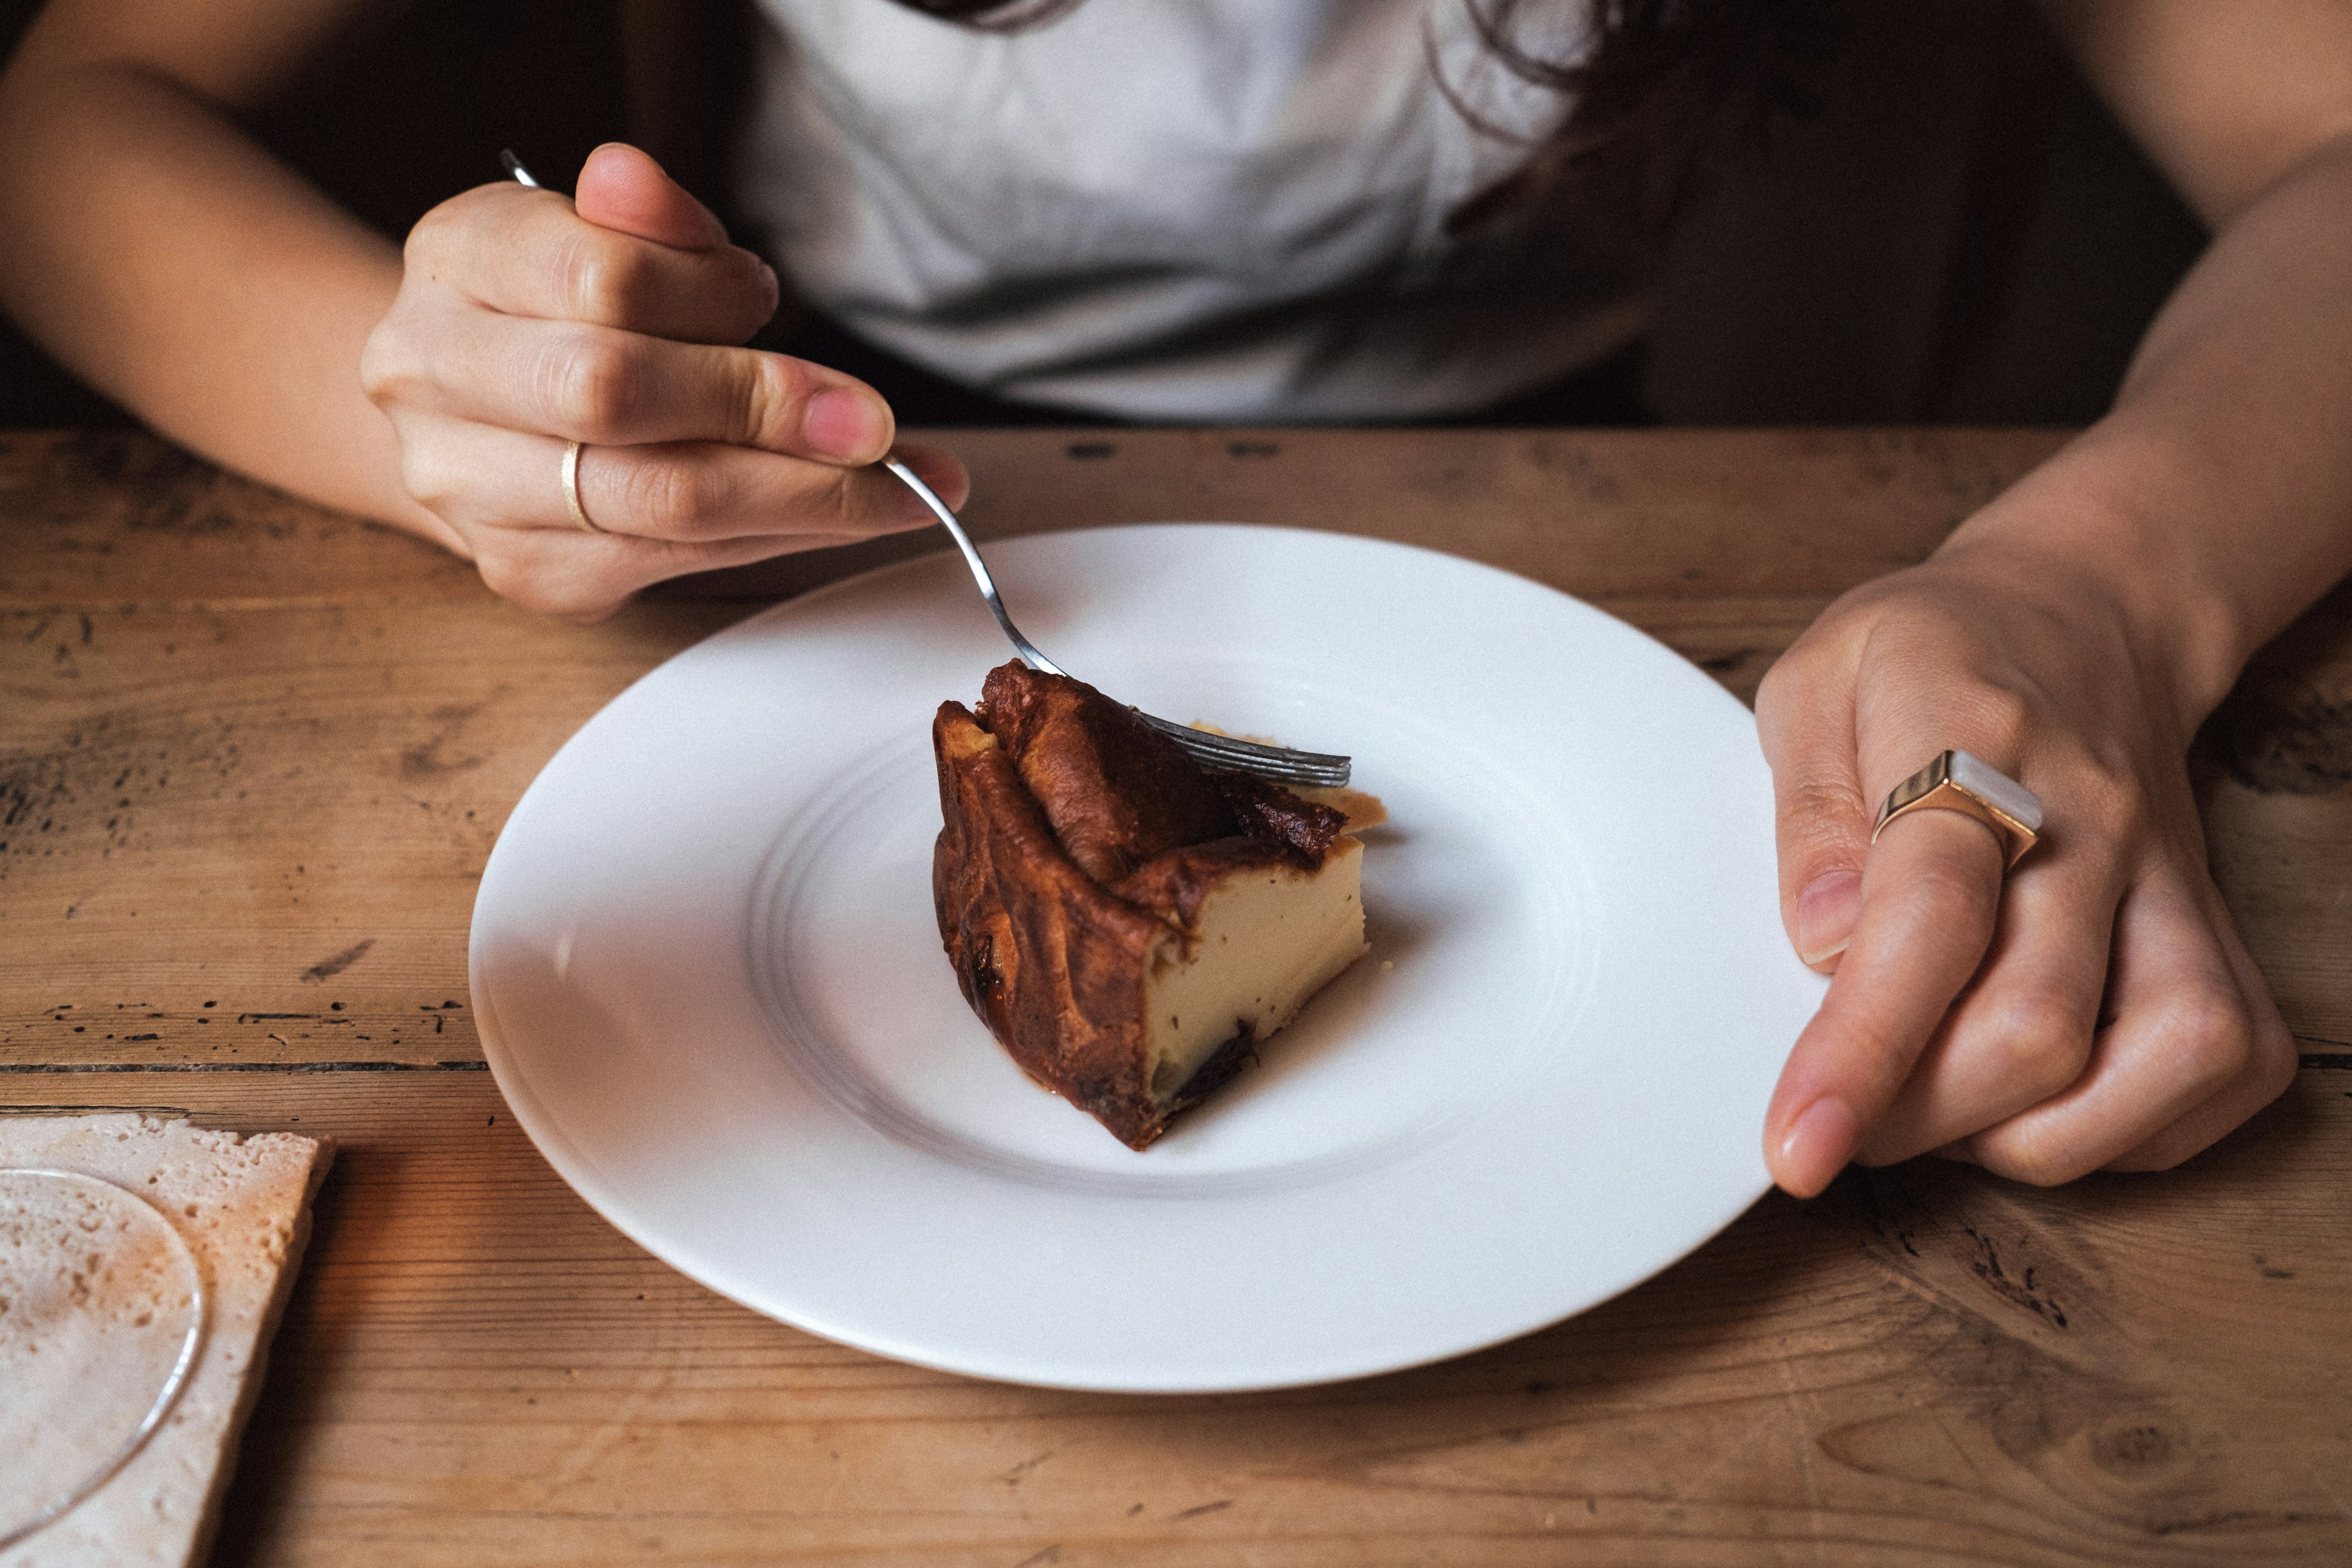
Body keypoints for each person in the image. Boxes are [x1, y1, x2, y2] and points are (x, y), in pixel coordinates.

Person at [1, 0, 2343, 1200]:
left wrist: (2100, 577)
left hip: (1591, 466)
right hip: (844, 471)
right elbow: (64, 114)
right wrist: (457, 416)